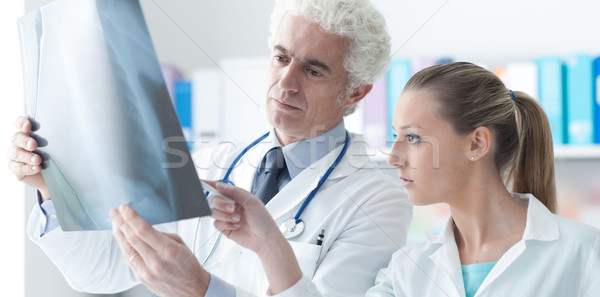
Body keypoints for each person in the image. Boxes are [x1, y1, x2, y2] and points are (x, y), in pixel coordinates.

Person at [8, 0, 412, 296]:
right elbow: (103, 271)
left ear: (355, 91)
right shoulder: (212, 161)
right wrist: (51, 187)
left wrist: (202, 290)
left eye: (313, 69)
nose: (285, 82)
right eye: (280, 57)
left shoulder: (378, 197)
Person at [210, 62, 600, 296]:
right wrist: (269, 245)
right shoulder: (406, 271)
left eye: (413, 137)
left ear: (477, 143)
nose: (394, 156)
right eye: (396, 136)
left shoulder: (585, 254)